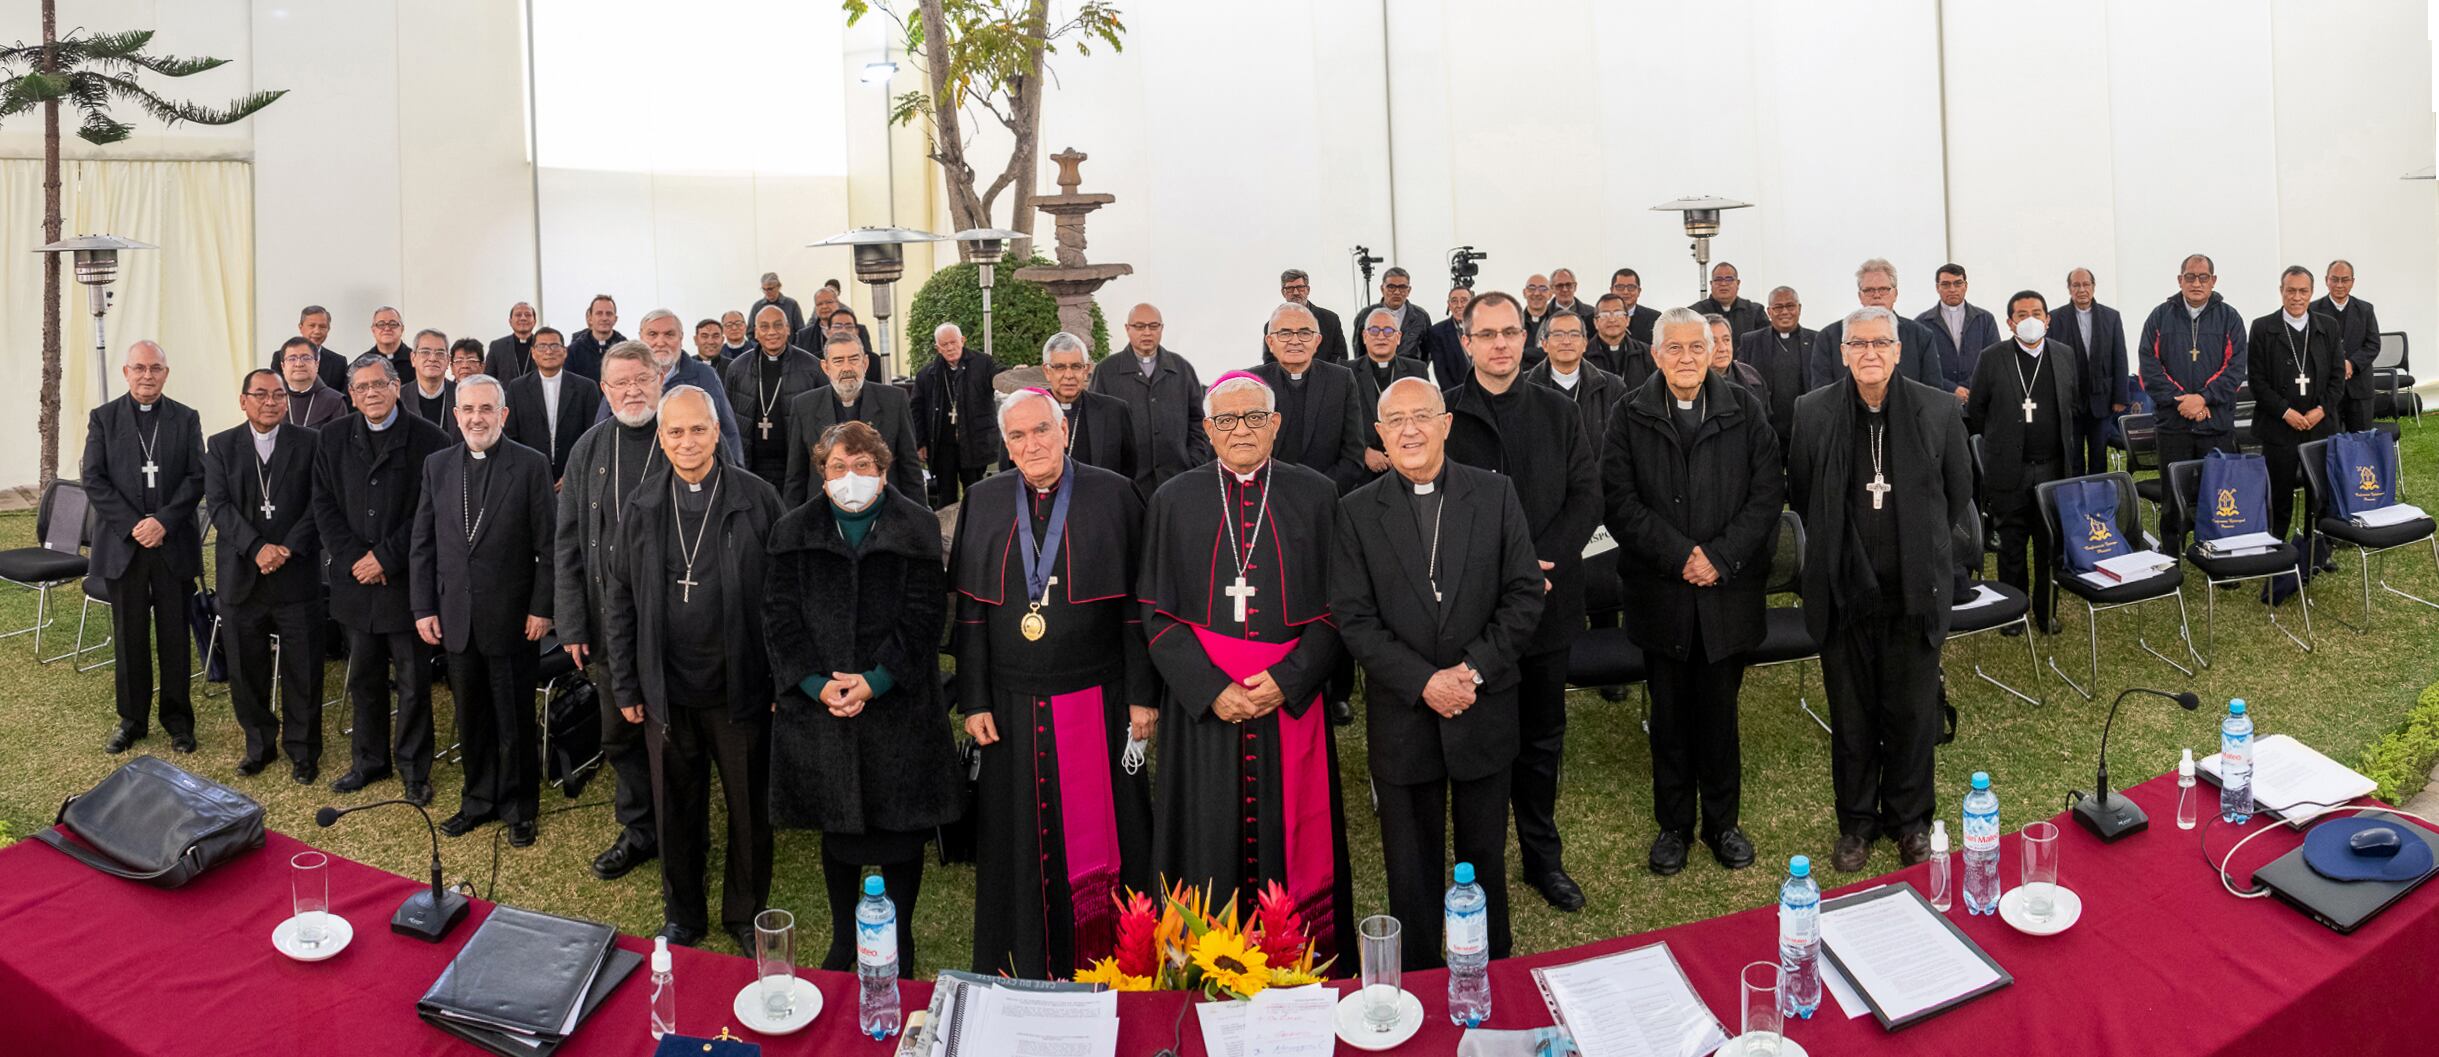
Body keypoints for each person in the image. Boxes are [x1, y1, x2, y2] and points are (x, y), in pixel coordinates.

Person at [1141, 372, 1355, 966]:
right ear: (1208, 429)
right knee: (1204, 835)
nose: (1242, 430)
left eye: (1255, 417)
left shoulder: (1316, 495)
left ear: (1275, 424)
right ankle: (1201, 959)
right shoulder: (1173, 500)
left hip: (1289, 698)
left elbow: (1341, 607)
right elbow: (1155, 612)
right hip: (1206, 708)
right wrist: (1210, 689)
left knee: (1294, 835)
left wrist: (1291, 679)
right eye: (1227, 420)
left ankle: (1299, 957)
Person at [1333, 376, 1544, 966]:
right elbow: (1353, 619)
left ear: (1446, 424)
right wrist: (1424, 681)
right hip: (1404, 717)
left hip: (1483, 707)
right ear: (1380, 434)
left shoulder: (1495, 493)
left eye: (1421, 416)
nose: (1410, 431)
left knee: (1485, 859)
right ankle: (1422, 974)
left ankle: (1491, 967)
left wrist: (1471, 671)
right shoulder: (1355, 512)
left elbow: (1525, 594)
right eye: (1395, 421)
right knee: (1410, 867)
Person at [953, 389, 1155, 979]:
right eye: (1017, 436)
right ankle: (1018, 958)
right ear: (1005, 443)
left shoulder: (1115, 494)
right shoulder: (985, 499)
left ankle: (1116, 957)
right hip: (1009, 702)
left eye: (1041, 430)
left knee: (1110, 834)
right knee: (1015, 837)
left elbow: (1137, 607)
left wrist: (1142, 696)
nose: (1031, 444)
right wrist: (974, 698)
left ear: (1064, 429)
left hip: (1099, 695)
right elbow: (970, 611)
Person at [764, 420, 962, 977]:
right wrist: (816, 684)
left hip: (898, 705)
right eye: (838, 467)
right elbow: (779, 617)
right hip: (823, 706)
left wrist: (876, 680)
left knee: (901, 831)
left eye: (863, 466)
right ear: (822, 474)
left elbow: (925, 615)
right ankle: (843, 939)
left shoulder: (917, 526)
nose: (851, 477)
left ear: (884, 470)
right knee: (840, 829)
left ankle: (901, 939)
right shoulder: (792, 530)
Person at [1788, 307, 1974, 873]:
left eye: (1880, 342)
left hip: (1913, 596)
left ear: (1898, 350)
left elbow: (1957, 491)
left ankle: (1910, 821)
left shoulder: (1937, 409)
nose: (1869, 352)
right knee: (1852, 717)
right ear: (1843, 352)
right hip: (1844, 595)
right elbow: (1804, 492)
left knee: (1912, 715)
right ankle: (1856, 824)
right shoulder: (1812, 411)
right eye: (1858, 343)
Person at [603, 385, 784, 953]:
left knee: (748, 811)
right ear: (661, 438)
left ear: (716, 431)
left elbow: (784, 598)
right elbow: (620, 599)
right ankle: (683, 913)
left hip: (739, 686)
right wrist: (627, 684)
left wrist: (781, 679)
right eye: (676, 431)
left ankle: (744, 913)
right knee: (675, 808)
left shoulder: (757, 498)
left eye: (698, 429)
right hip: (668, 689)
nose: (687, 441)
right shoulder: (641, 505)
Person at [1604, 308, 1782, 874]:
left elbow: (1766, 494)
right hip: (1663, 593)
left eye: (1696, 347)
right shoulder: (1628, 413)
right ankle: (1674, 826)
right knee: (1670, 718)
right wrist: (1680, 556)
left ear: (1712, 352)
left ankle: (1723, 824)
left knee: (1720, 716)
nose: (1686, 358)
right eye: (1674, 348)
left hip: (1727, 592)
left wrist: (1720, 557)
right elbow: (1619, 501)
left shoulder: (1745, 409)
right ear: (1655, 354)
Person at [1442, 291, 1600, 912]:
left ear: (1525, 337)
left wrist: (1538, 566)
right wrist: (1505, 571)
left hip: (1547, 606)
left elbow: (1586, 496)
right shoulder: (1444, 416)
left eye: (1510, 332)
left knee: (1541, 741)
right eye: (1487, 334)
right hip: (1471, 614)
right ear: (1466, 342)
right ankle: (1477, 867)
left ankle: (1542, 858)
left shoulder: (1559, 412)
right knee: (1481, 746)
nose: (1501, 344)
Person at [411, 374, 556, 846]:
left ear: (503, 414)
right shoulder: (437, 465)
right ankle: (477, 800)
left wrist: (542, 608)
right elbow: (423, 543)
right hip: (456, 615)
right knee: (470, 716)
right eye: (468, 410)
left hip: (513, 618)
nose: (477, 418)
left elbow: (550, 546)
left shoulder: (531, 465)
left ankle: (519, 808)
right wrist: (423, 607)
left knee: (513, 719)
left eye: (486, 409)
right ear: (456, 415)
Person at [318, 354, 452, 803]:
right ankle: (369, 761)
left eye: (379, 384)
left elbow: (428, 513)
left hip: (407, 582)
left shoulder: (431, 439)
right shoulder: (332, 437)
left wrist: (385, 558)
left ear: (397, 386)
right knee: (363, 678)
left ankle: (414, 769)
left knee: (414, 683)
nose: (371, 393)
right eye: (362, 387)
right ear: (351, 395)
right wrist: (356, 559)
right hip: (354, 580)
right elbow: (323, 504)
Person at [555, 341, 666, 882]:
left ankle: (679, 829)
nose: (632, 391)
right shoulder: (589, 447)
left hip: (675, 620)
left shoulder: (683, 435)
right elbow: (568, 541)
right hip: (607, 622)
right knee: (620, 731)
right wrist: (572, 621)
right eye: (620, 383)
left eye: (641, 379)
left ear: (660, 378)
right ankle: (639, 828)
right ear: (605, 390)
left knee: (675, 735)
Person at [84, 341, 205, 755]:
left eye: (155, 368)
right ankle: (132, 720)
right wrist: (135, 524)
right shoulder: (104, 418)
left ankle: (179, 722)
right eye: (139, 368)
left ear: (166, 373)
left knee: (175, 636)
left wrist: (162, 521)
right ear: (126, 372)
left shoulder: (185, 418)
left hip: (172, 543)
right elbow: (94, 477)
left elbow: (197, 476)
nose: (147, 375)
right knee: (129, 637)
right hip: (126, 544)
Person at [204, 370, 325, 782]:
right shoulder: (221, 445)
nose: (271, 402)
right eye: (261, 394)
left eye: (278, 395)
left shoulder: (310, 442)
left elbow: (318, 502)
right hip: (243, 576)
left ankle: (303, 751)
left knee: (303, 669)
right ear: (243, 401)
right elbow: (219, 506)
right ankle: (259, 745)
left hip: (296, 575)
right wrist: (257, 548)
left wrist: (286, 548)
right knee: (245, 668)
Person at [1965, 292, 2081, 636]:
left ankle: (2046, 613)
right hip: (2010, 469)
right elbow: (1977, 410)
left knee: (2050, 544)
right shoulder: (1992, 357)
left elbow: (2071, 403)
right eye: (2021, 314)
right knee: (2012, 545)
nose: (2030, 319)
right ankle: (2013, 613)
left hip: (2052, 468)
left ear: (2048, 319)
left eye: (2037, 312)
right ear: (2010, 322)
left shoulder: (2064, 354)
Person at [2138, 254, 2249, 546]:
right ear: (2180, 280)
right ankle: (2172, 552)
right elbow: (2149, 368)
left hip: (2216, 424)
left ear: (2213, 281)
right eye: (2190, 276)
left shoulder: (2230, 318)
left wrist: (2204, 399)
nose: (2196, 283)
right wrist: (2183, 402)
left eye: (2203, 277)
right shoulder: (2159, 317)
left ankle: (2218, 550)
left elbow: (2235, 369)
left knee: (2219, 493)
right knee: (2174, 496)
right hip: (2173, 426)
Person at [2249, 267, 2348, 547]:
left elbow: (2337, 378)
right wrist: (2285, 412)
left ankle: (2318, 550)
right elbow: (2257, 381)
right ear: (2281, 291)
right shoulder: (2262, 328)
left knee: (2319, 494)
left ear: (2312, 292)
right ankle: (2275, 549)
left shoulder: (2328, 326)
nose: (2296, 297)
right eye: (2290, 290)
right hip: (2279, 427)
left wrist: (2321, 410)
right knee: (2279, 495)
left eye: (2303, 291)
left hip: (2319, 425)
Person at [782, 328, 925, 504]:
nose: (847, 368)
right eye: (838, 361)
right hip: (825, 511)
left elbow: (910, 469)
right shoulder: (804, 406)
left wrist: (919, 515)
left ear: (865, 363)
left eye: (853, 359)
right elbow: (796, 476)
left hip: (883, 507)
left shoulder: (894, 401)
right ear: (825, 367)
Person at [1089, 303, 1212, 495]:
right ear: (1127, 329)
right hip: (1127, 484)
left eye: (1153, 326)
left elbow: (1198, 421)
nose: (1147, 332)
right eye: (1139, 326)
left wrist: (1193, 461)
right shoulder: (1107, 371)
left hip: (1176, 480)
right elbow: (1097, 426)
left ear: (1161, 328)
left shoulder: (1181, 368)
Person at [597, 309, 745, 463]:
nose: (661, 342)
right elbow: (603, 429)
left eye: (669, 334)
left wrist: (733, 472)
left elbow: (727, 431)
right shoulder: (623, 378)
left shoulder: (705, 375)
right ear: (641, 338)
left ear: (681, 337)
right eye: (652, 334)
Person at [1250, 303, 1369, 493]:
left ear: (1317, 341)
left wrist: (1317, 493)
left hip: (1327, 497)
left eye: (1304, 333)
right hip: (1265, 497)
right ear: (1270, 342)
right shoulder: (1251, 383)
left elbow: (1353, 456)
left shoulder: (1341, 380)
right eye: (1285, 333)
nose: (1295, 341)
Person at [724, 305, 827, 485]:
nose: (772, 332)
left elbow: (823, 418)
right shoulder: (737, 369)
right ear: (756, 332)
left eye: (778, 325)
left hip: (796, 464)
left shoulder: (812, 366)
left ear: (788, 329)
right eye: (764, 327)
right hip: (751, 466)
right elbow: (728, 419)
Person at [1809, 259, 1945, 392]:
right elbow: (1822, 394)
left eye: (1883, 289)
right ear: (1860, 296)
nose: (1876, 295)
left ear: (1895, 294)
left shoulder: (1921, 336)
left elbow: (1932, 392)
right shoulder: (1829, 337)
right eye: (1869, 290)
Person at [912, 322, 1005, 507]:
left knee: (976, 492)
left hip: (974, 441)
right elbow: (916, 409)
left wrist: (1014, 374)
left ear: (962, 340)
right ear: (937, 348)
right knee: (945, 495)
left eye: (953, 342)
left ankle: (975, 523)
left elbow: (1000, 375)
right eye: (944, 344)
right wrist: (920, 442)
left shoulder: (983, 363)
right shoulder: (926, 374)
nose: (950, 348)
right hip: (942, 445)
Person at [2051, 268, 2128, 475]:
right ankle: (2075, 493)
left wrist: (2120, 397)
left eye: (2086, 284)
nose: (2082, 289)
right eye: (2076, 285)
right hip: (2070, 401)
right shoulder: (2055, 318)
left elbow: (2120, 358)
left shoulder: (2111, 317)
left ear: (2093, 287)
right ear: (2069, 289)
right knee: (2073, 455)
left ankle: (2099, 493)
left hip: (2101, 399)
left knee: (2098, 455)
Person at [505, 324, 601, 484]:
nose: (549, 351)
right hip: (529, 475)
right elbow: (510, 434)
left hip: (574, 475)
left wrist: (574, 473)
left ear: (565, 351)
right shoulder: (517, 388)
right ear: (533, 353)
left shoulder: (586, 387)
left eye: (555, 346)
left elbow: (593, 434)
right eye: (542, 346)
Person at [1526, 309, 1626, 462]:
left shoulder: (1613, 387)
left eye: (1574, 334)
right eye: (1558, 334)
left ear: (1585, 343)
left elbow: (1619, 446)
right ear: (1544, 344)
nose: (1566, 341)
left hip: (1596, 475)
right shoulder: (1523, 386)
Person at [1039, 332, 1138, 481]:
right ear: (1047, 371)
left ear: (1086, 370)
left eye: (1076, 366)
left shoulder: (1115, 412)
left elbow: (1128, 469)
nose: (1069, 375)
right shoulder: (1027, 412)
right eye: (1059, 367)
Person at [1352, 306, 1432, 479]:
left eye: (1388, 331)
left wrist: (1403, 451)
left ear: (1398, 337)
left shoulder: (1417, 370)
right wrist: (1363, 452)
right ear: (1365, 336)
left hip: (1407, 464)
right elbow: (1338, 421)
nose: (1381, 336)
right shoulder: (1346, 371)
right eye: (1374, 330)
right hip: (1360, 469)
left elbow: (1426, 417)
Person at [1737, 286, 1812, 451]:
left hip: (1805, 427)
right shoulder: (1751, 342)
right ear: (1769, 312)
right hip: (1765, 428)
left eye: (1790, 306)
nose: (1785, 312)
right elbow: (1739, 380)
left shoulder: (1817, 340)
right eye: (1778, 307)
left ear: (1799, 308)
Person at [2313, 260, 2383, 433]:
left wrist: (2352, 363)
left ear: (2353, 281)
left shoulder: (2365, 310)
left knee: (2361, 439)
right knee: (2329, 441)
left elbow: (2373, 344)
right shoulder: (2312, 310)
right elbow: (2311, 346)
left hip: (2360, 388)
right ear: (2326, 280)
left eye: (2345, 280)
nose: (2339, 285)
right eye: (2334, 279)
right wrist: (2337, 365)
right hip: (2326, 389)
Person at [1915, 264, 1998, 401]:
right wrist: (1951, 389)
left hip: (1979, 398)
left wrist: (1970, 386)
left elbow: (1994, 361)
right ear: (1937, 288)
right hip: (1939, 399)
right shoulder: (1922, 323)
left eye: (1958, 283)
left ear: (1965, 286)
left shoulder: (1985, 319)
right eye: (1946, 284)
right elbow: (1920, 367)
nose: (1952, 289)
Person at [1258, 269, 1350, 365]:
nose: (1296, 293)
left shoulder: (1330, 320)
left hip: (1327, 374)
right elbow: (1270, 363)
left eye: (1300, 287)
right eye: (1290, 289)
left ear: (1307, 290)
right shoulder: (1272, 326)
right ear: (1283, 292)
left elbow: (1341, 358)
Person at [1350, 266, 1431, 360]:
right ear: (1382, 289)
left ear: (1408, 290)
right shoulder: (1366, 315)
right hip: (1374, 368)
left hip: (1410, 368)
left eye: (1402, 287)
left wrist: (1417, 367)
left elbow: (1427, 351)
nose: (1397, 292)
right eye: (1391, 287)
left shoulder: (1420, 316)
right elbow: (1358, 349)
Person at [273, 305, 352, 397]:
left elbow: (341, 398)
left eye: (322, 326)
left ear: (328, 329)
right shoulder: (280, 357)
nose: (317, 331)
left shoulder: (339, 362)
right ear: (300, 327)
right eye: (312, 326)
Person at [278, 336, 349, 428]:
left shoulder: (334, 401)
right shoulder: (272, 399)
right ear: (283, 366)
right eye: (292, 359)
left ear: (316, 364)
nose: (299, 364)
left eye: (306, 358)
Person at [1707, 314, 1770, 415]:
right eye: (1714, 342)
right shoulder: (1690, 384)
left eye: (1726, 340)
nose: (1723, 348)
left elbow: (1766, 418)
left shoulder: (1751, 376)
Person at [1691, 262, 1768, 337]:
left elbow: (1767, 340)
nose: (1723, 284)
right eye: (1718, 279)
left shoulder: (1755, 312)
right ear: (1711, 284)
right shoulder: (1694, 313)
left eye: (1729, 279)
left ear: (1738, 283)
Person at [402, 330, 457, 433]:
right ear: (413, 358)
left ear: (448, 360)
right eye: (425, 352)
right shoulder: (398, 397)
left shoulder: (461, 395)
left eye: (440, 353)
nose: (432, 358)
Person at [1421, 287, 1475, 391]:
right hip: (1455, 395)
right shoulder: (1437, 332)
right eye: (1454, 301)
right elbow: (1442, 373)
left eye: (1464, 300)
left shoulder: (1486, 327)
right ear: (1449, 305)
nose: (1459, 305)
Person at [1588, 293, 1650, 383]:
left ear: (1627, 320)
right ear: (1596, 322)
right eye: (1605, 315)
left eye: (1618, 314)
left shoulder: (1646, 353)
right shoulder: (1582, 354)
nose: (1612, 319)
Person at [565, 293, 626, 380]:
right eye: (599, 313)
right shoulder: (574, 351)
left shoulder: (626, 349)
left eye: (609, 314)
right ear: (590, 318)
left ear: (615, 319)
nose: (604, 318)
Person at [484, 301, 539, 381]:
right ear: (510, 322)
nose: (523, 318)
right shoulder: (497, 346)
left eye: (528, 315)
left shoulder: (543, 346)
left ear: (534, 322)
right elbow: (489, 378)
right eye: (518, 315)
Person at [1609, 268, 1661, 344]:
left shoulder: (1654, 318)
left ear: (1639, 291)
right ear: (1611, 290)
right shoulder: (1597, 318)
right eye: (1620, 287)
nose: (1625, 292)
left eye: (1631, 287)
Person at [750, 271, 806, 337]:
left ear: (778, 287)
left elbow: (800, 330)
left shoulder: (792, 305)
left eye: (770, 289)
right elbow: (750, 333)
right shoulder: (757, 307)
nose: (766, 292)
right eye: (764, 289)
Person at [368, 306, 412, 382]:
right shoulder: (361, 364)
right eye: (381, 324)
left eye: (393, 324)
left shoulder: (416, 360)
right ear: (373, 330)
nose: (387, 328)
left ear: (402, 329)